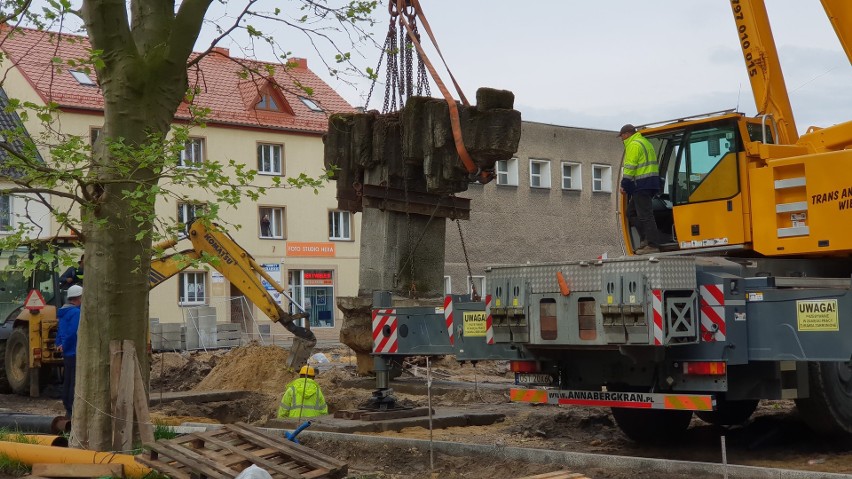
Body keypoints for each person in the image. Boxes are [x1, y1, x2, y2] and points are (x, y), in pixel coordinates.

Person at [618, 124, 663, 255]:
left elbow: (630, 167)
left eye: (622, 136)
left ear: (627, 134)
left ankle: (652, 244)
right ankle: (645, 240)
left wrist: (624, 185)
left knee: (645, 215)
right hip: (650, 183)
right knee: (631, 213)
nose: (621, 139)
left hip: (642, 184)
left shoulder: (633, 145)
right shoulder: (645, 142)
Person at [55, 284, 82, 419]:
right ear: (78, 298)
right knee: (74, 380)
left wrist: (59, 344)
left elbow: (61, 331)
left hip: (66, 352)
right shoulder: (76, 312)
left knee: (68, 379)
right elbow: (72, 333)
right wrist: (65, 345)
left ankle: (67, 405)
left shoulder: (64, 312)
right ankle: (72, 408)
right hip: (74, 351)